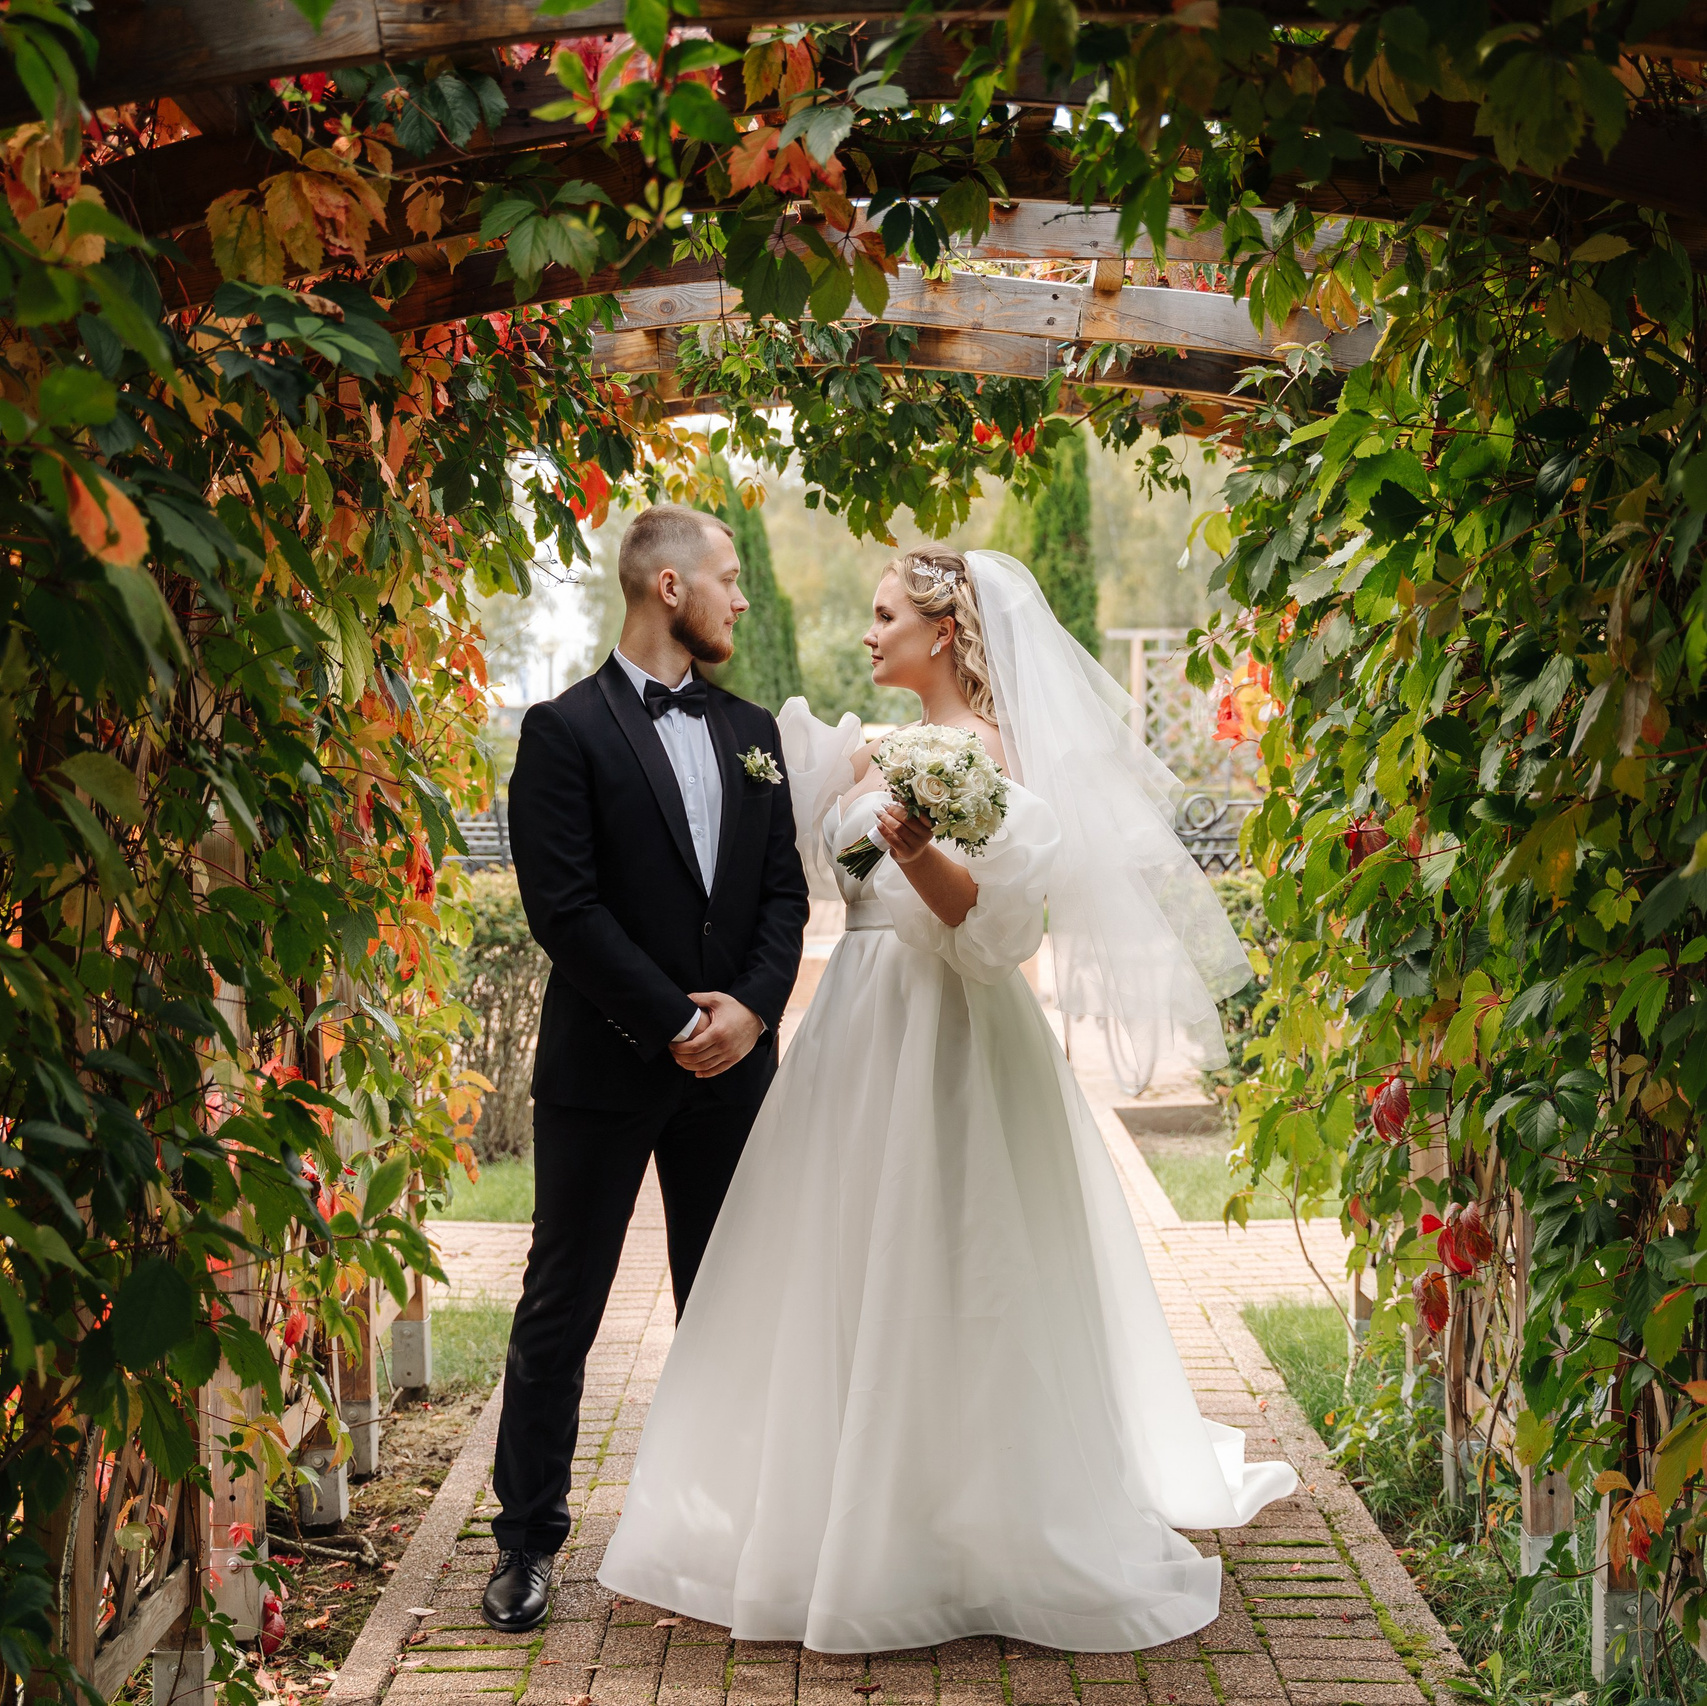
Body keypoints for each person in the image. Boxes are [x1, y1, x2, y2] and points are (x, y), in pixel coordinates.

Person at [597, 546, 1298, 1653]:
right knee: (844, 1261)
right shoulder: (855, 748)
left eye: (884, 616)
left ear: (944, 632)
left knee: (960, 1260)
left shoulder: (997, 759)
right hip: (854, 1028)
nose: (867, 632)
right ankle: (838, 1504)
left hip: (953, 1032)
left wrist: (920, 850)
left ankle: (969, 1517)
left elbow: (993, 926)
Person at [481, 504, 810, 1634]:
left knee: (727, 1304)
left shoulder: (754, 728)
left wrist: (754, 1012)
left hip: (737, 1076)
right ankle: (525, 1542)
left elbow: (784, 896)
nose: (741, 596)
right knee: (560, 1306)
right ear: (668, 587)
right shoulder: (562, 730)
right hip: (606, 1067)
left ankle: (734, 1529)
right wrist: (676, 1019)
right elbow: (562, 907)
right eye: (729, 578)